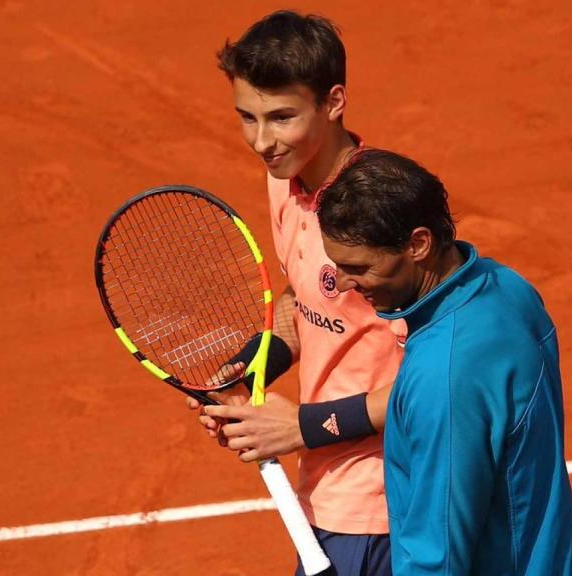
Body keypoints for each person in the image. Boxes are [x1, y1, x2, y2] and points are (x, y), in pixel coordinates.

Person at [185, 11, 403, 575]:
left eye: (282, 117)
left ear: (334, 102)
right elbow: (305, 298)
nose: (261, 141)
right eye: (247, 118)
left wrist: (300, 427)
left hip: (389, 502)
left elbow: (438, 380)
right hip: (325, 493)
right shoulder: (288, 180)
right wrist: (247, 367)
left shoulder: (383, 221)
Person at [315, 149, 572, 575]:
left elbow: (437, 552)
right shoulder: (508, 289)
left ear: (418, 244)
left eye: (359, 267)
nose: (346, 284)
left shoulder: (444, 373)